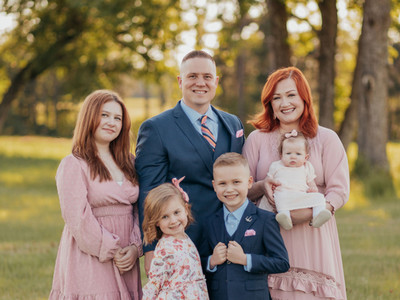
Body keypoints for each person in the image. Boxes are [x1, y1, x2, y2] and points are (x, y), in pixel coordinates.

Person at [243, 66, 350, 300]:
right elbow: (243, 189)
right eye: (276, 98)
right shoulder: (256, 139)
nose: (284, 103)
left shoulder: (326, 138)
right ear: (269, 103)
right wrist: (262, 186)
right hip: (270, 232)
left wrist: (315, 211)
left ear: (304, 97)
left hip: (314, 234)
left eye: (291, 95)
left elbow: (339, 189)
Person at [135, 50, 245, 274]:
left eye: (207, 77)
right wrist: (151, 248)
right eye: (192, 76)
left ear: (215, 82)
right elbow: (148, 192)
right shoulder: (156, 128)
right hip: (181, 242)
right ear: (180, 81)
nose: (200, 83)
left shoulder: (233, 124)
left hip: (230, 242)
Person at [49, 90, 143, 299]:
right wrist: (112, 248)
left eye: (117, 118)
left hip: (127, 258)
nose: (112, 122)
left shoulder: (130, 162)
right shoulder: (74, 164)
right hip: (92, 256)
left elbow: (140, 209)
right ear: (89, 117)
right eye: (104, 115)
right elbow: (77, 218)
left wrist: (135, 247)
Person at [200, 152, 289, 300]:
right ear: (214, 186)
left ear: (249, 182)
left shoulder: (265, 220)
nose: (229, 189)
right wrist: (212, 261)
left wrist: (245, 259)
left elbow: (282, 263)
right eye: (222, 183)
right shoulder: (209, 222)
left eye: (236, 182)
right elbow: (197, 262)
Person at [141, 178, 209, 299]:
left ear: (186, 210)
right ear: (156, 221)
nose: (173, 220)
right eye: (165, 217)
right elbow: (154, 284)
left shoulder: (185, 239)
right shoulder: (165, 248)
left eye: (177, 212)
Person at [262, 129, 331, 230]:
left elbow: (311, 182)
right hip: (284, 195)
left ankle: (318, 216)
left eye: (298, 154)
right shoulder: (276, 166)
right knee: (279, 199)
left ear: (306, 157)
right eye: (288, 153)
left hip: (300, 196)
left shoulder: (306, 167)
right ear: (281, 155)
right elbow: (268, 180)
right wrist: (270, 186)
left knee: (319, 197)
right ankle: (285, 217)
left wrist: (313, 188)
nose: (293, 157)